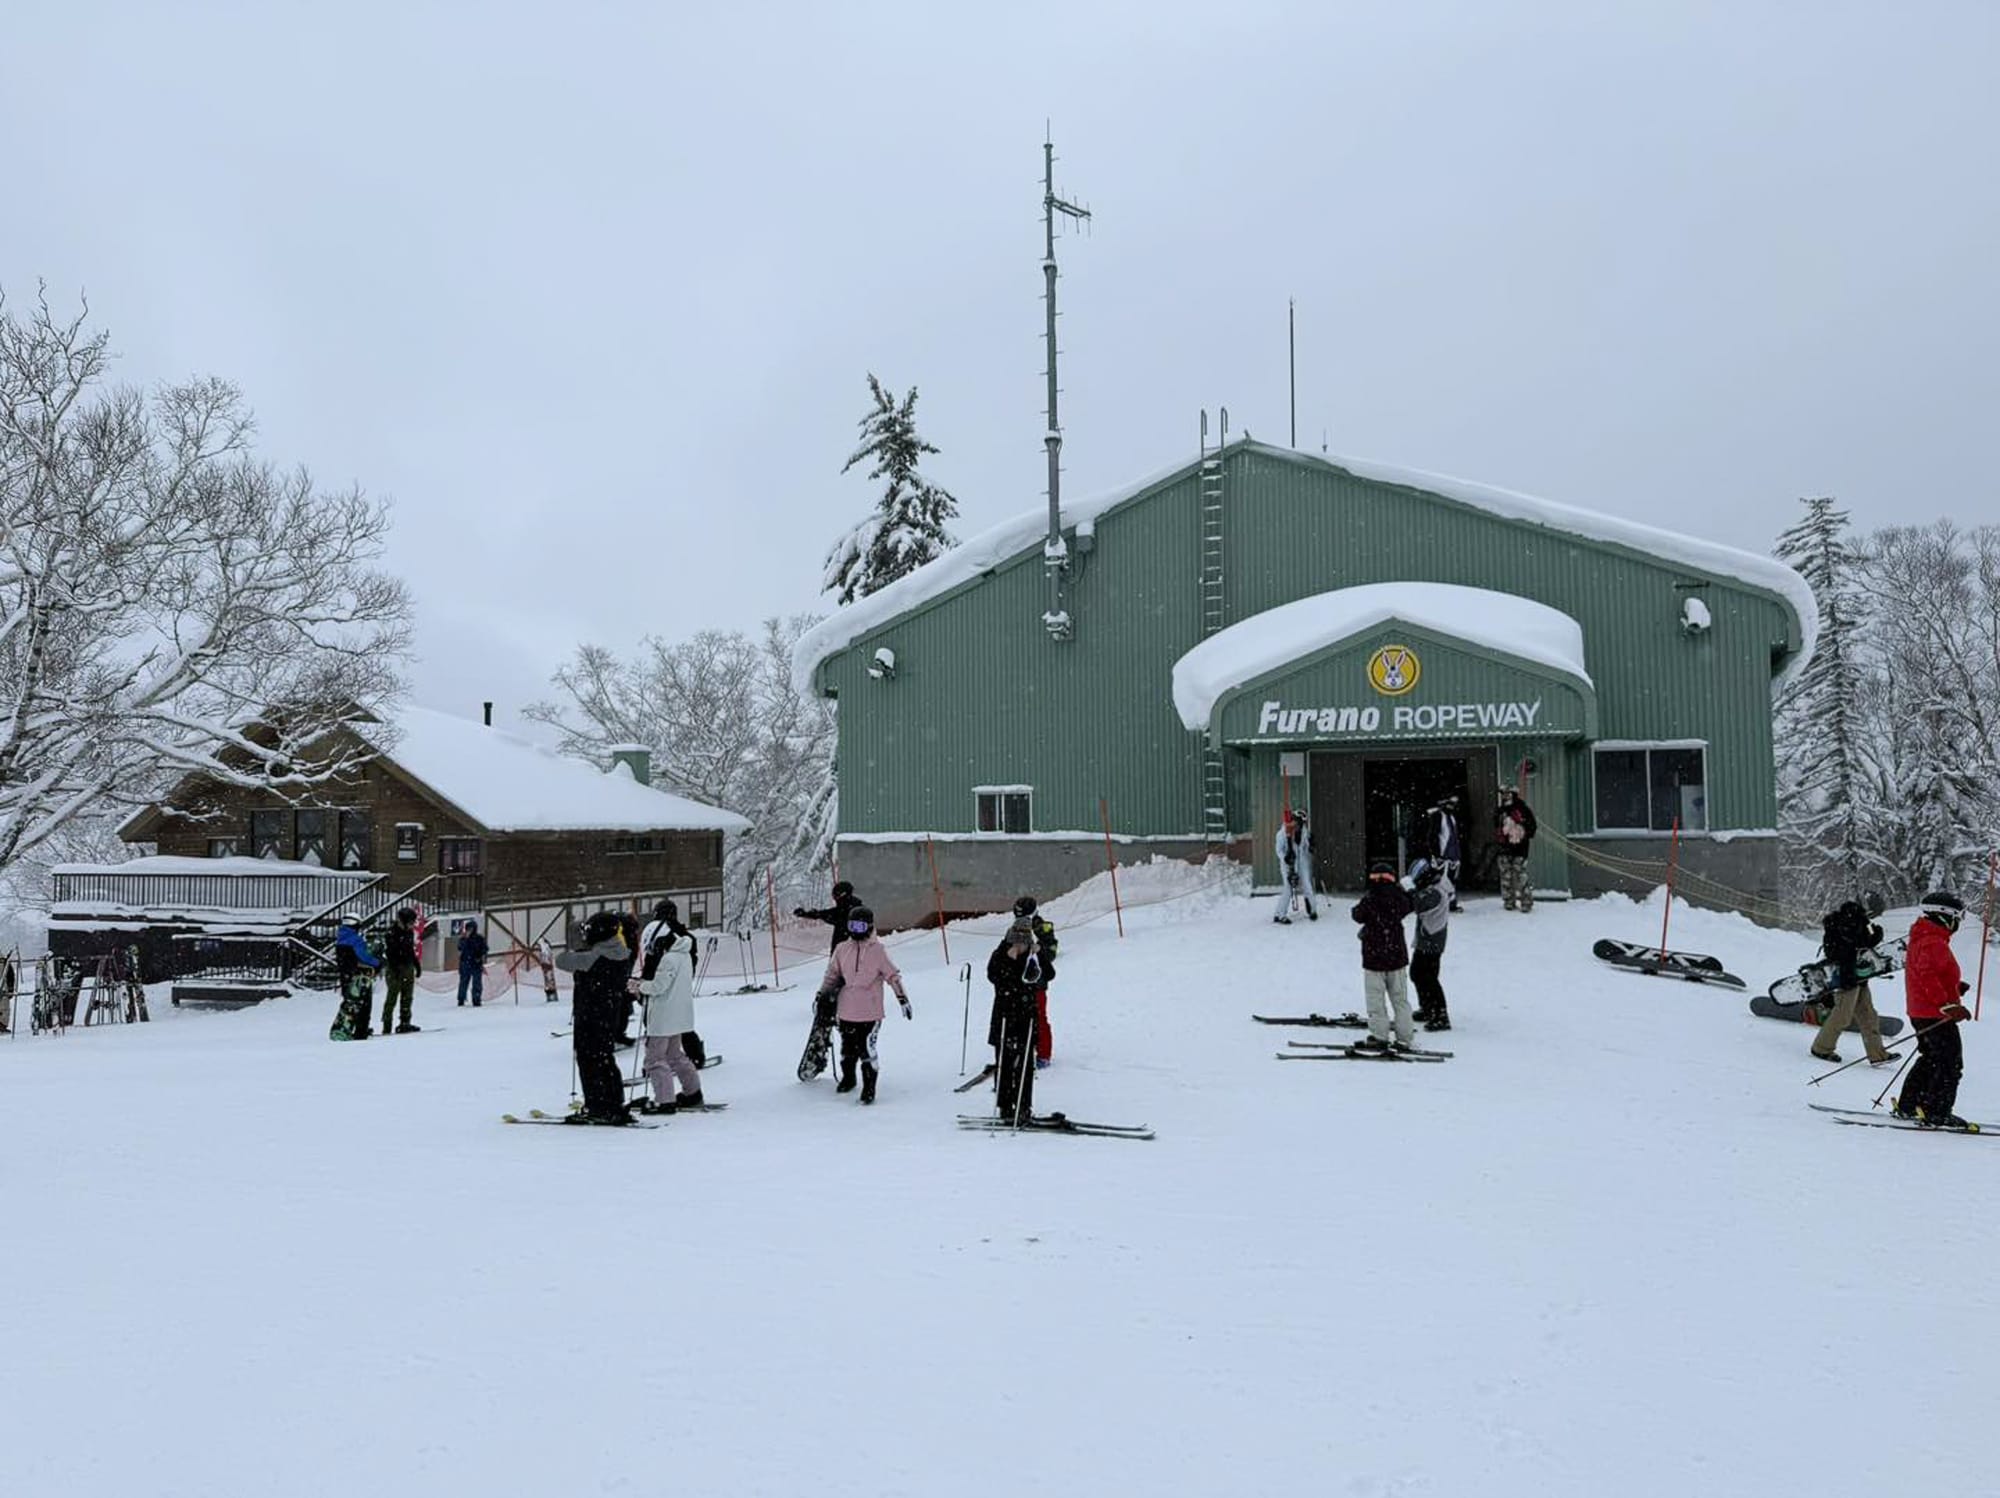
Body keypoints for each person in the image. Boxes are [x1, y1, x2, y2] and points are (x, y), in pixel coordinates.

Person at [1896, 891, 1973, 1129]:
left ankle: (1910, 1105)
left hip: (1922, 1011)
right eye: (1957, 917)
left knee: (1931, 1058)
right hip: (1934, 1014)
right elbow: (1927, 976)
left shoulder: (1925, 937)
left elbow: (1930, 973)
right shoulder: (1933, 941)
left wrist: (1954, 987)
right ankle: (1937, 1112)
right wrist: (1946, 1004)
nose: (1958, 923)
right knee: (1950, 1063)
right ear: (1944, 916)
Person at [820, 905, 910, 1104]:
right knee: (847, 1048)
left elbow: (893, 976)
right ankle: (849, 1078)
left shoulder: (878, 951)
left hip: (870, 1012)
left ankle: (869, 1087)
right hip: (846, 1010)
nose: (855, 931)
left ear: (869, 927)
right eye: (852, 926)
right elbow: (832, 975)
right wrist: (823, 995)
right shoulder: (842, 949)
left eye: (860, 926)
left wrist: (902, 998)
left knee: (867, 1049)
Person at [555, 912, 634, 1124]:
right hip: (609, 1014)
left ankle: (597, 1105)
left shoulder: (595, 957)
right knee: (605, 1058)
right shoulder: (622, 954)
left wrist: (581, 949)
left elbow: (561, 960)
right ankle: (614, 1103)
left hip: (590, 1016)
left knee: (589, 1060)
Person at [632, 905, 704, 1115]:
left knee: (654, 1060)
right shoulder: (684, 955)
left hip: (663, 1017)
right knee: (675, 1055)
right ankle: (693, 1092)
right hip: (678, 1016)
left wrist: (639, 986)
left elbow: (659, 987)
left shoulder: (669, 959)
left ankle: (665, 1101)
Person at [1810, 891, 1892, 1066]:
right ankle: (1821, 1048)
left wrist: (1872, 939)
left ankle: (1877, 1055)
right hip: (1845, 978)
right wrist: (1873, 939)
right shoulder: (1847, 922)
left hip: (1858, 977)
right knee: (1842, 1015)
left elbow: (1859, 947)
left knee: (1868, 1015)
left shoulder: (1856, 921)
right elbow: (1848, 949)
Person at [1351, 859, 1415, 1051]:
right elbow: (1410, 905)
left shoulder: (1370, 899)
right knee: (1400, 999)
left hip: (1374, 959)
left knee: (1376, 1000)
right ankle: (1405, 1036)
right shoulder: (1398, 898)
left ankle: (1380, 1036)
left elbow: (1357, 915)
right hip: (1396, 957)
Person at [638, 898, 707, 1066]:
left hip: (660, 982)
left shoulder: (660, 935)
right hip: (680, 983)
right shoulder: (685, 936)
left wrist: (643, 984)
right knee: (680, 1022)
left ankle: (656, 1061)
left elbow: (651, 963)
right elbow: (691, 961)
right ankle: (695, 1055)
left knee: (655, 1023)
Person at [987, 918, 1042, 1121]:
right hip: (1005, 1014)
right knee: (1004, 1063)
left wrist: (1038, 957)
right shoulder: (1000, 954)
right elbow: (994, 977)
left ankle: (1023, 1105)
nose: (1021, 947)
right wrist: (1009, 961)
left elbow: (1047, 976)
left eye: (1024, 943)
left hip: (1026, 1015)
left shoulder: (1032, 955)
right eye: (1018, 943)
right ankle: (1005, 1105)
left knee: (1026, 1064)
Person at [1012, 894, 1060, 1068]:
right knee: (1019, 1017)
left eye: (1023, 916)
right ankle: (1024, 1048)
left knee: (1039, 1017)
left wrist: (1038, 950)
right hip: (1019, 983)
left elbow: (1051, 951)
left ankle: (1044, 1054)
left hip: (1037, 983)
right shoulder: (1016, 928)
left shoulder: (1041, 927)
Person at [1408, 859, 1453, 1033]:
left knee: (1427, 977)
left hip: (1432, 939)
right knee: (1418, 973)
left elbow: (1418, 905)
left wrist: (1409, 892)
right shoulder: (1436, 885)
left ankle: (1440, 1014)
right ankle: (1427, 1008)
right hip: (1428, 937)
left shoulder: (1435, 892)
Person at [329, 914, 381, 1041]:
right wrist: (378, 963)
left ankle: (344, 1027)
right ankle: (361, 1030)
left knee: (349, 1003)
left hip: (345, 975)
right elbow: (364, 956)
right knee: (364, 1004)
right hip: (358, 976)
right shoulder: (355, 940)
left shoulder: (341, 938)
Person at [1494, 788, 1538, 913]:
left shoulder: (1523, 809)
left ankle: (1526, 901)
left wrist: (1521, 828)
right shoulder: (1500, 811)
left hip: (1520, 849)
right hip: (1504, 849)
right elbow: (1496, 826)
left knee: (1520, 876)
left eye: (1507, 794)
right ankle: (1509, 901)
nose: (1505, 796)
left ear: (1513, 794)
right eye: (1503, 794)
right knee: (1506, 877)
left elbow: (1532, 828)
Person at [380, 906, 421, 1035]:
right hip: (394, 969)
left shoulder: (409, 933)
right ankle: (387, 1026)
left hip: (408, 967)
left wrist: (416, 964)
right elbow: (390, 953)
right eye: (410, 922)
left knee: (407, 997)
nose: (412, 925)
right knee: (392, 997)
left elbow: (410, 950)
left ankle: (405, 1023)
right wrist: (395, 967)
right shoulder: (391, 934)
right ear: (403, 921)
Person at [1273, 809, 1318, 924]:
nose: (1298, 825)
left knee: (1307, 885)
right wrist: (1285, 858)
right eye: (1297, 822)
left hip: (1301, 862)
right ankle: (1280, 915)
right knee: (1288, 888)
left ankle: (1312, 910)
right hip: (1288, 864)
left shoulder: (1304, 831)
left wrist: (1311, 846)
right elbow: (1278, 850)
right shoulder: (1282, 833)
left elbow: (1305, 847)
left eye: (1301, 823)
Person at [795, 881, 863, 951]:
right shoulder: (844, 909)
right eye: (834, 896)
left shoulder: (850, 912)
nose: (835, 899)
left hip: (850, 953)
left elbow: (827, 915)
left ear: (843, 895)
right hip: (843, 952)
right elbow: (824, 914)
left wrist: (807, 914)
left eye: (836, 896)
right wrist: (806, 914)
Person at [1424, 797, 1465, 911]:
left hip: (1453, 854)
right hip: (1442, 854)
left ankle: (1451, 903)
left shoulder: (1452, 817)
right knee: (1440, 880)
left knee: (1451, 879)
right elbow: (1433, 836)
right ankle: (1439, 903)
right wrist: (1435, 853)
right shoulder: (1438, 817)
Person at [456, 919, 488, 1007]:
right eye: (468, 929)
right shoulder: (463, 939)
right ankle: (461, 999)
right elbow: (460, 948)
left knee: (477, 982)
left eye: (471, 928)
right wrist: (465, 939)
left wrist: (479, 955)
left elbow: (485, 949)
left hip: (476, 964)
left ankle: (476, 999)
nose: (469, 930)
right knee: (463, 982)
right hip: (465, 963)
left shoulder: (479, 938)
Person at [535, 936, 560, 1003]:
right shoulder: (544, 950)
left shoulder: (545, 949)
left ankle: (552, 996)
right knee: (549, 981)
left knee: (549, 981)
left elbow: (547, 959)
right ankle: (551, 994)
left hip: (547, 968)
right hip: (546, 968)